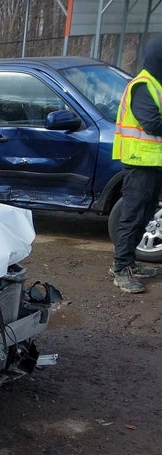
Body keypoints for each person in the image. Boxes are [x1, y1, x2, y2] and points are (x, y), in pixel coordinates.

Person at [110, 34, 162, 293]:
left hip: (153, 163)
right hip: (140, 162)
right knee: (132, 216)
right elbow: (152, 123)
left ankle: (130, 263)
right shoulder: (143, 85)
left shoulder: (157, 84)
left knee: (144, 214)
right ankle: (121, 270)